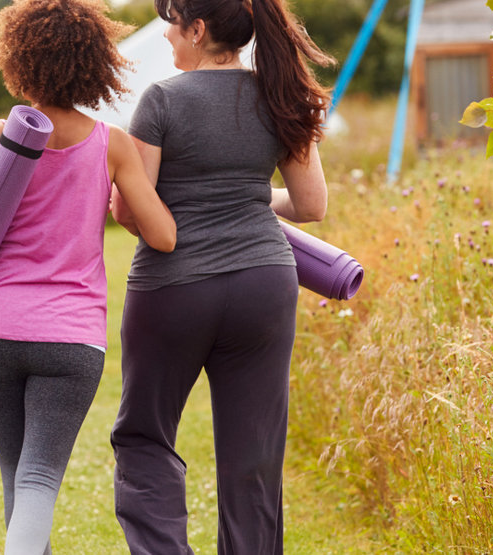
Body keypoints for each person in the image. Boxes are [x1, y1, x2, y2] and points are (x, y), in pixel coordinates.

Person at [0, 0, 176, 552]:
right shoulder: (112, 143)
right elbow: (162, 236)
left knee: (16, 473)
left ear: (17, 59)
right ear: (95, 64)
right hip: (71, 337)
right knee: (38, 478)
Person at [107, 0, 332, 552]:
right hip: (264, 284)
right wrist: (245, 194)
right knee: (253, 456)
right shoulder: (280, 96)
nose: (166, 36)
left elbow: (131, 209)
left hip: (174, 288)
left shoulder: (161, 99)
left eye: (172, 24)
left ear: (198, 29)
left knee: (144, 436)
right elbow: (311, 205)